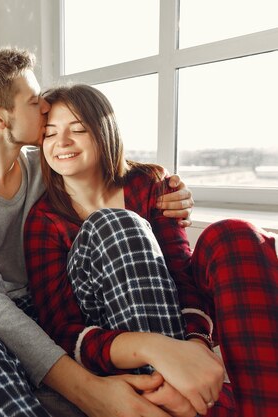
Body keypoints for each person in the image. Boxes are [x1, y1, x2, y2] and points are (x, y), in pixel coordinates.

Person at [0, 47, 196, 417]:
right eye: (34, 101)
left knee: (116, 227)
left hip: (67, 301)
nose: (46, 107)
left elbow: (109, 165)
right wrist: (90, 392)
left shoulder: (48, 160)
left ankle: (166, 393)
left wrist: (170, 188)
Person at [23, 84, 278, 417]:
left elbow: (182, 276)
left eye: (78, 129)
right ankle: (172, 392)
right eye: (50, 133)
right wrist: (154, 353)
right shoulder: (43, 221)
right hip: (115, 345)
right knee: (114, 224)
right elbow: (62, 332)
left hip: (175, 322)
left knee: (235, 234)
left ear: (103, 133)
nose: (62, 142)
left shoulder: (150, 183)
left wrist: (196, 345)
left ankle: (262, 405)